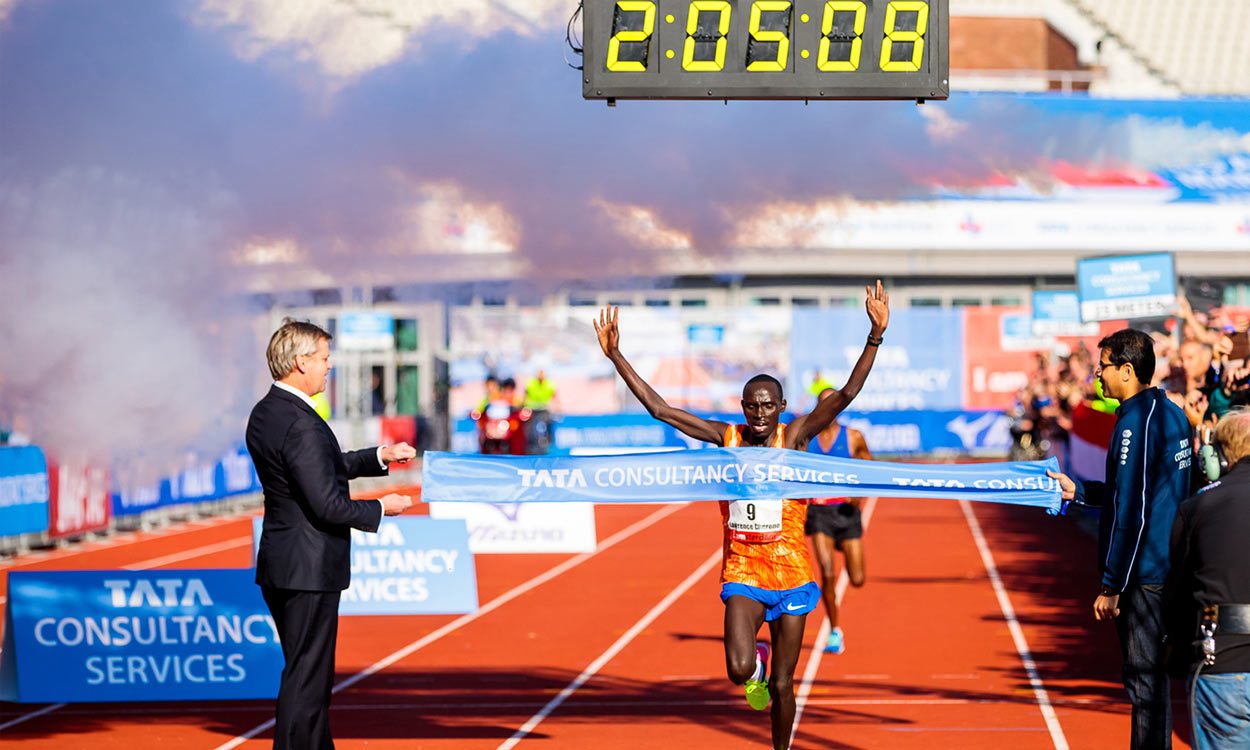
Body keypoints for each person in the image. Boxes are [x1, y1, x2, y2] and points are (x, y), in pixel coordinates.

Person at [594, 280, 890, 750]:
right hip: (744, 571)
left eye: (768, 405)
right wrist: (616, 357)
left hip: (792, 574)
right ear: (742, 407)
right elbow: (660, 409)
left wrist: (874, 335)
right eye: (751, 404)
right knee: (738, 671)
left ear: (783, 409)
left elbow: (847, 394)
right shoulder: (725, 437)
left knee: (782, 688)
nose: (759, 412)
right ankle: (755, 661)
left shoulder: (793, 438)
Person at [246, 319, 415, 750]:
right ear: (300, 362)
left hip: (286, 562)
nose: (329, 366)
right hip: (308, 568)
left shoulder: (270, 411)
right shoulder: (300, 422)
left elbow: (320, 465)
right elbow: (327, 504)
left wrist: (379, 455)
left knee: (310, 677)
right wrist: (381, 507)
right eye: (323, 359)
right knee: (307, 682)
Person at [1048, 328, 1193, 750]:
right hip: (1163, 568)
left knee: (1144, 682)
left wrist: (1112, 584)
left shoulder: (1136, 423)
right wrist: (1081, 491)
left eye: (1104, 366)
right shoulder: (1171, 413)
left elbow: (1134, 508)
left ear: (1128, 371)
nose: (1098, 375)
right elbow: (1132, 490)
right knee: (1151, 683)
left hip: (1145, 574)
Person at [1165, 408, 1250, 750]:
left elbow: (1177, 593)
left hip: (1222, 664)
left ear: (1219, 456)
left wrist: (1174, 654)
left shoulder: (1198, 507)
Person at [804, 388, 873, 655]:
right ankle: (834, 631)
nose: (828, 409)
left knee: (857, 578)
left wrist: (858, 494)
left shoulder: (853, 436)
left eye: (833, 404)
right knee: (828, 575)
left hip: (846, 514)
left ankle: (841, 544)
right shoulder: (806, 438)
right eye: (823, 404)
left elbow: (869, 466)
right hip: (820, 514)